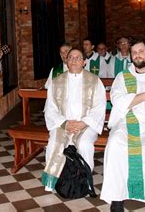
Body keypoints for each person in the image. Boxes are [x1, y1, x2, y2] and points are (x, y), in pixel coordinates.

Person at [101, 40, 145, 212]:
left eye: (141, 51)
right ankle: (116, 198)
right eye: (134, 52)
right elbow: (117, 101)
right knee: (114, 145)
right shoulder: (123, 76)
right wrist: (143, 96)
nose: (137, 55)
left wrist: (131, 103)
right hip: (126, 123)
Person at [42, 48, 106, 191]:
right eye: (71, 57)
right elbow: (50, 108)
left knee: (84, 144)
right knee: (53, 143)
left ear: (84, 62)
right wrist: (65, 123)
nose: (74, 60)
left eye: (78, 58)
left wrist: (83, 123)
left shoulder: (94, 81)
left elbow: (99, 107)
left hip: (86, 125)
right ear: (66, 61)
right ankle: (52, 182)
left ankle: (86, 181)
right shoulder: (56, 81)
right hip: (62, 124)